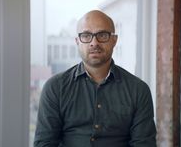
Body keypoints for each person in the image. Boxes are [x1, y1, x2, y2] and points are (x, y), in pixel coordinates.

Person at [34, 10, 157, 147]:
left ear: (114, 40)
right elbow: (44, 144)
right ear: (77, 41)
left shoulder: (138, 90)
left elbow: (144, 144)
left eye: (102, 35)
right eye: (86, 36)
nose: (94, 42)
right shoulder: (55, 87)